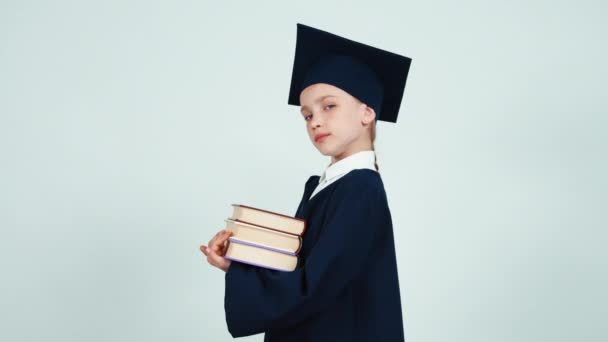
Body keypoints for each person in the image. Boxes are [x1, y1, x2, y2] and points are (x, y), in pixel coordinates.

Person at [200, 23, 412, 341]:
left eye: (329, 106)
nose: (316, 121)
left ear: (367, 113)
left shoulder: (359, 190)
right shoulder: (328, 186)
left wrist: (243, 277)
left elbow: (313, 286)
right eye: (307, 115)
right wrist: (238, 261)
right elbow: (301, 269)